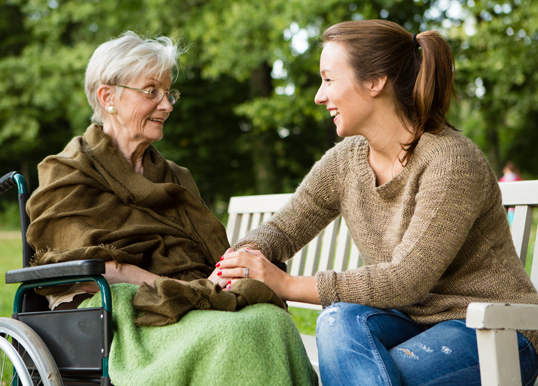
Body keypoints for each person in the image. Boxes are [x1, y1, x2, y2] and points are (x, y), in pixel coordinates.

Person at [216, 20, 538, 386]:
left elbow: (405, 280)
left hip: (492, 328)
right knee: (337, 320)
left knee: (370, 375)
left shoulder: (450, 160)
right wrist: (236, 262)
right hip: (406, 322)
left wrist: (285, 283)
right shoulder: (345, 161)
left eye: (329, 79)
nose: (319, 97)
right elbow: (282, 230)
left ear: (375, 81)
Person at [26, 32, 317, 386]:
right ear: (108, 97)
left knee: (271, 321)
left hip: (186, 300)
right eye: (151, 91)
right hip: (115, 313)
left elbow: (205, 256)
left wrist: (211, 283)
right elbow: (89, 265)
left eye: (169, 93)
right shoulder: (68, 171)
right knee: (233, 335)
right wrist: (182, 289)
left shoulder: (174, 177)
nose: (167, 105)